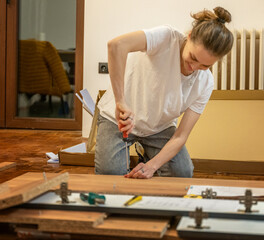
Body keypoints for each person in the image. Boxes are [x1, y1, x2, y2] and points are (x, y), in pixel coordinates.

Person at [94, 7, 234, 179]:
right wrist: (120, 101)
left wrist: (152, 166)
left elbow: (181, 136)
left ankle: (146, 155)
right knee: (110, 174)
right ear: (189, 36)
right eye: (193, 58)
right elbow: (116, 45)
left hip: (159, 128)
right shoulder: (166, 38)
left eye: (205, 66)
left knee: (182, 173)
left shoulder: (205, 83)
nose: (195, 68)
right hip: (117, 119)